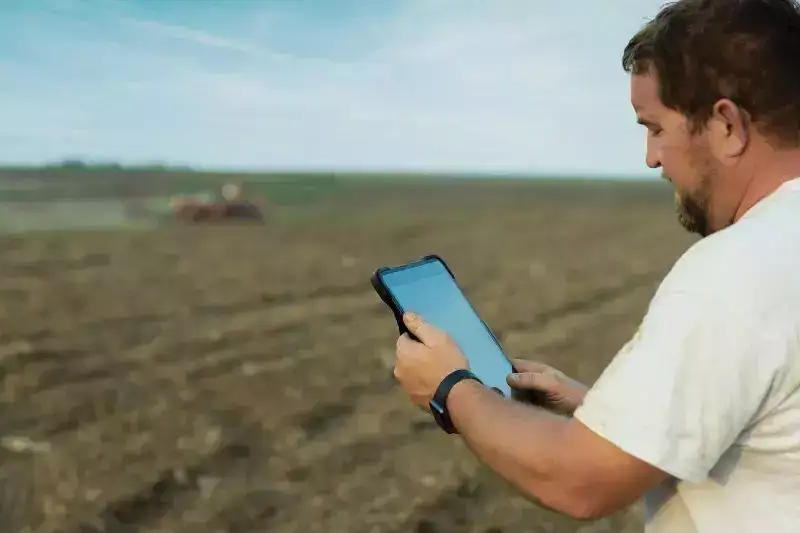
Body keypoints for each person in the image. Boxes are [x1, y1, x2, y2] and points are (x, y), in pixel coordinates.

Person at [391, 0, 800, 531]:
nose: (651, 158)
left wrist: (451, 388)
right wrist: (604, 412)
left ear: (725, 125)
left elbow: (583, 481)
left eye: (655, 128)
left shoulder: (737, 269)